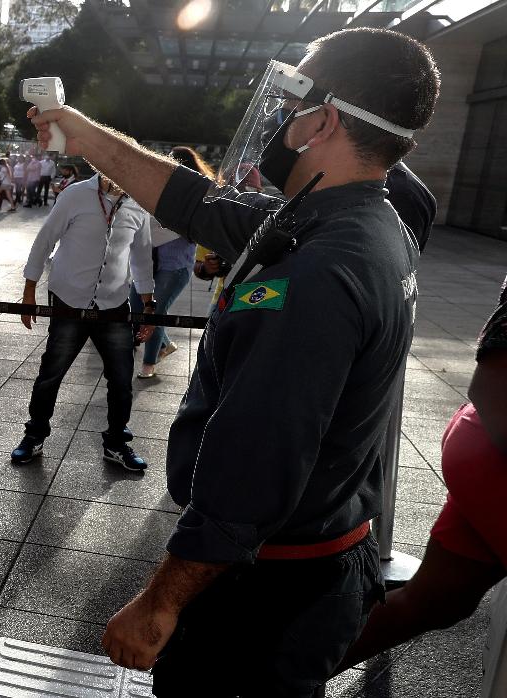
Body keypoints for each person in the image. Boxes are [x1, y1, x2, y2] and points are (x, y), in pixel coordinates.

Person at [29, 27, 439, 694]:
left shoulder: (321, 268)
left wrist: (161, 600)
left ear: (323, 120)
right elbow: (197, 203)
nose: (277, 119)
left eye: (290, 106)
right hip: (318, 565)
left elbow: (254, 468)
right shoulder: (357, 219)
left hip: (268, 594)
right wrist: (81, 133)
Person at [335, 272, 506, 679]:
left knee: (433, 600)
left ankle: (274, 680)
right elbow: (495, 381)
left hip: (484, 443)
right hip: (498, 444)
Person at [11, 173, 154, 469]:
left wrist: (148, 304)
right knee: (52, 372)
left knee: (121, 379)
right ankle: (34, 436)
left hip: (114, 303)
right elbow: (45, 239)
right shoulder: (75, 194)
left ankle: (116, 442)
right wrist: (29, 291)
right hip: (69, 299)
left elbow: (141, 258)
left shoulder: (138, 204)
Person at [134, 147, 207, 379]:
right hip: (147, 262)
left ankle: (149, 364)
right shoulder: (158, 189)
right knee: (136, 307)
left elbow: (187, 227)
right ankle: (164, 344)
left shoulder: (197, 193)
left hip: (174, 266)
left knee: (155, 311)